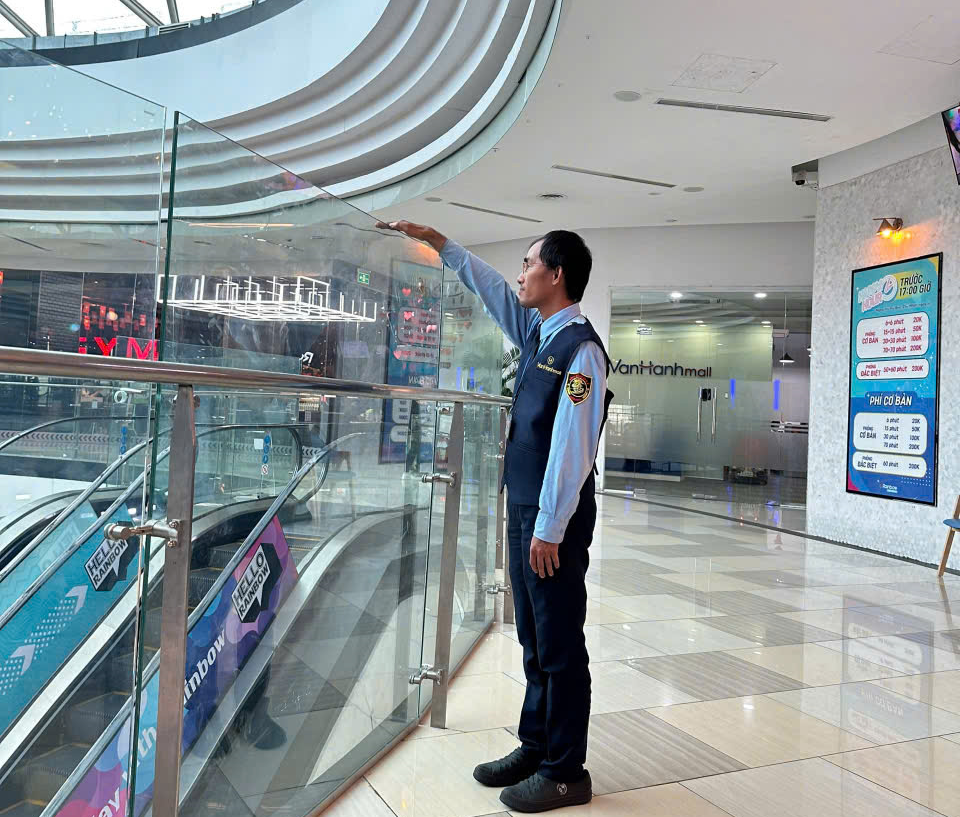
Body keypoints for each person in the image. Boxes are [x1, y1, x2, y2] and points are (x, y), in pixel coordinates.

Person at [377, 220, 612, 813]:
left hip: (551, 520)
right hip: (527, 509)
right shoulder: (539, 333)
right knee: (534, 636)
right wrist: (445, 247)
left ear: (557, 274)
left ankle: (566, 771)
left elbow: (573, 447)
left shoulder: (581, 350)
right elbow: (496, 294)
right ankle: (536, 745)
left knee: (559, 643)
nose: (521, 274)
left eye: (529, 264)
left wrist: (549, 528)